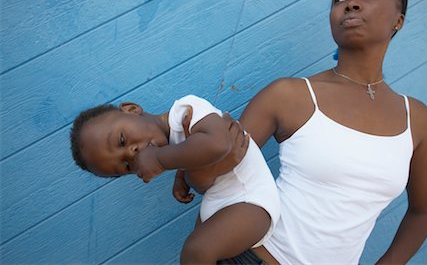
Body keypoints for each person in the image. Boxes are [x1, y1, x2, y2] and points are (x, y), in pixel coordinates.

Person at [213, 0, 427, 264]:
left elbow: (423, 211)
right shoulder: (289, 95)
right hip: (255, 257)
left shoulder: (417, 119)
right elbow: (219, 174)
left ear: (399, 21)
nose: (351, 3)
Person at [69, 95, 280, 265]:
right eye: (126, 166)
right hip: (228, 205)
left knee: (196, 251)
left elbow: (218, 144)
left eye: (122, 140)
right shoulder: (175, 145)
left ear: (132, 109)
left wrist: (160, 160)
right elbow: (195, 167)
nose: (132, 153)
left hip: (251, 202)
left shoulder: (187, 108)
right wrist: (183, 178)